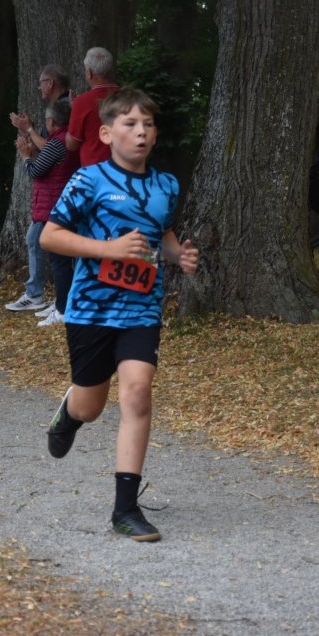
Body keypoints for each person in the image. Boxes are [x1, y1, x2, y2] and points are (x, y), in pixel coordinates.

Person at [40, 88, 199, 542]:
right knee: (91, 406)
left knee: (138, 393)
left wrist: (179, 255)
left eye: (148, 124)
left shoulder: (166, 185)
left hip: (141, 308)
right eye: (130, 124)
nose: (141, 132)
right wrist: (107, 249)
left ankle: (125, 510)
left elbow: (161, 232)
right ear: (108, 134)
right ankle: (69, 414)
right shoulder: (88, 181)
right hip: (91, 310)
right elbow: (51, 236)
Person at [6, 99, 80, 323]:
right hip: (56, 204)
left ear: (51, 122)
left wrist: (26, 157)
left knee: (57, 258)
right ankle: (60, 301)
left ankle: (52, 302)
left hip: (52, 206)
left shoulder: (57, 142)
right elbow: (48, 164)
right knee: (54, 253)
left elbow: (36, 171)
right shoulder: (64, 140)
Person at [66, 47, 120, 167]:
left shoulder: (82, 101)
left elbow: (71, 144)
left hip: (96, 169)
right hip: (125, 168)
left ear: (89, 73)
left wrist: (75, 109)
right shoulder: (127, 96)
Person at [9, 64, 71, 154]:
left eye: (40, 83)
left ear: (50, 83)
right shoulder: (61, 104)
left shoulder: (65, 107)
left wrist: (29, 129)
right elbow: (42, 147)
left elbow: (52, 148)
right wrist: (27, 131)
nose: (39, 87)